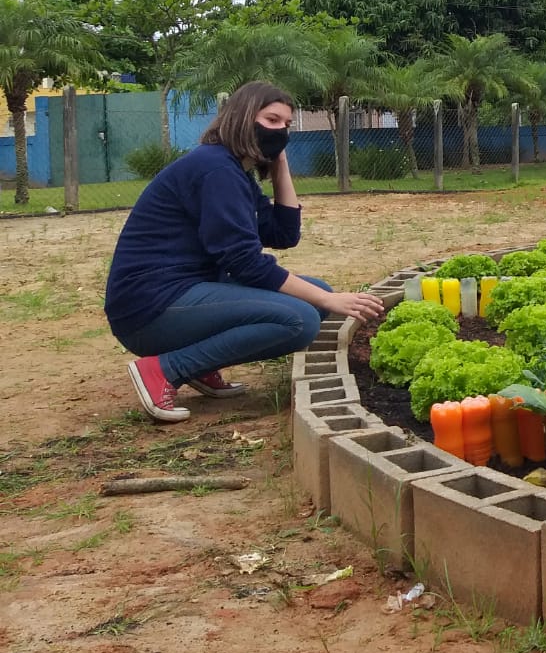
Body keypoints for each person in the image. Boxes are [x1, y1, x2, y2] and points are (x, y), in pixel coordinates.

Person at [105, 81, 384, 424]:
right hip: (151, 308)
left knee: (317, 295)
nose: (281, 130)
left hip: (186, 294)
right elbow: (246, 263)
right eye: (271, 120)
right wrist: (330, 302)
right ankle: (164, 369)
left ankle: (200, 365)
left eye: (286, 124)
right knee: (302, 319)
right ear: (241, 118)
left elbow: (282, 234)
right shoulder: (216, 169)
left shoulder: (233, 170)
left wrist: (280, 162)